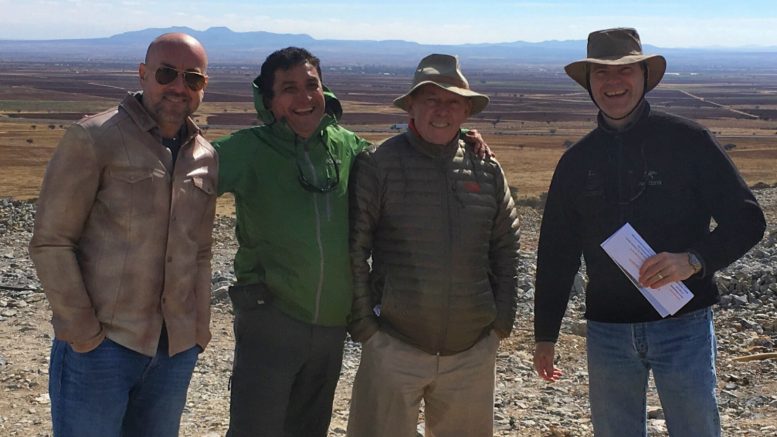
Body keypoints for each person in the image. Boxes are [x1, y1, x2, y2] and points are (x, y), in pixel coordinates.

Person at [214, 47, 491, 437]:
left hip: (330, 326)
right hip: (269, 319)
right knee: (255, 428)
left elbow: (419, 144)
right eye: (289, 89)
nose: (304, 97)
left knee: (310, 428)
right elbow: (180, 176)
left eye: (311, 85)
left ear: (324, 90)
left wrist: (457, 134)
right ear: (270, 101)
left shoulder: (347, 147)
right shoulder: (247, 150)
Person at [533, 27, 766, 436]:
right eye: (601, 73)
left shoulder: (689, 141)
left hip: (684, 323)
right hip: (607, 331)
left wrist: (694, 260)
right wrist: (545, 336)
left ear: (644, 76)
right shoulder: (575, 161)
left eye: (624, 71)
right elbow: (556, 253)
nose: (613, 82)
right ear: (589, 83)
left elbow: (747, 219)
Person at [29, 33, 217, 437]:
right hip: (102, 348)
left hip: (174, 351)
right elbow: (51, 241)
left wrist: (198, 329)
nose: (179, 87)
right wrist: (82, 333)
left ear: (203, 87)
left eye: (193, 78)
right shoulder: (95, 137)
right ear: (144, 74)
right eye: (167, 73)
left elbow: (200, 251)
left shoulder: (204, 155)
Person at [346, 53, 521, 437]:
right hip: (393, 345)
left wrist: (500, 325)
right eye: (431, 99)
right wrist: (367, 330)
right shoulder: (379, 163)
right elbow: (355, 248)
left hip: (472, 351)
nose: (442, 110)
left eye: (452, 101)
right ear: (412, 104)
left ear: (466, 110)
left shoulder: (487, 169)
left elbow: (506, 246)